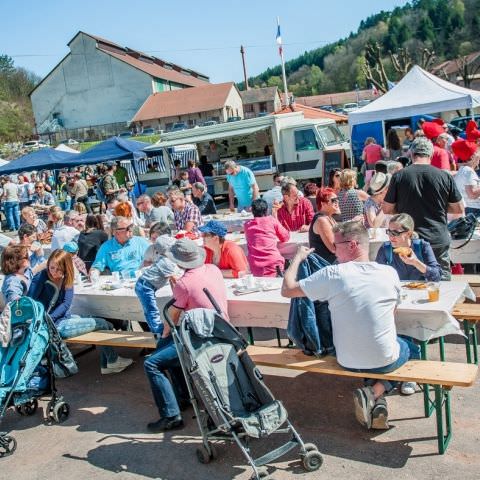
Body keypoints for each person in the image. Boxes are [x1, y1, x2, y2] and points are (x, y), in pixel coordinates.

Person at [281, 221, 420, 430]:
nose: (333, 250)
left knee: (372, 351)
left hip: (345, 359)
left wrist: (297, 259)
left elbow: (287, 289)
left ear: (353, 245)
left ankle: (375, 399)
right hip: (380, 358)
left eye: (336, 245)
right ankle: (375, 393)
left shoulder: (333, 274)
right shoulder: (389, 273)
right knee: (414, 349)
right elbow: (391, 316)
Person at [144, 238, 228, 432]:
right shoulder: (212, 270)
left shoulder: (184, 283)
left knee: (152, 362)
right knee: (166, 349)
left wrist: (163, 338)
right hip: (223, 330)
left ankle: (171, 414)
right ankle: (180, 397)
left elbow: (171, 320)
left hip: (202, 337)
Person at [28, 249, 132, 374]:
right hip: (52, 326)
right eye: (52, 267)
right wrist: (48, 320)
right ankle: (112, 362)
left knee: (104, 322)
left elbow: (65, 304)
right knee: (104, 324)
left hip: (62, 319)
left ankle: (108, 363)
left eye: (59, 269)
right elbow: (30, 303)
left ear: (66, 267)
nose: (54, 272)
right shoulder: (40, 277)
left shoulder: (67, 277)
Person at [383, 137, 464, 279]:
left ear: (412, 154)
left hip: (409, 240)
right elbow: (458, 209)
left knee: (412, 287)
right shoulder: (444, 176)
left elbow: (387, 209)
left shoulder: (399, 176)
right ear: (431, 155)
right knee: (441, 284)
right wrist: (439, 207)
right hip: (437, 237)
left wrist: (404, 206)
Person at [376, 213, 442, 283]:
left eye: (395, 233)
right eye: (389, 232)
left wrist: (415, 262)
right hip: (397, 292)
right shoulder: (385, 248)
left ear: (408, 233)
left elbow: (436, 276)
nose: (391, 236)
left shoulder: (423, 246)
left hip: (420, 292)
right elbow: (377, 276)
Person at [135, 235, 179, 334]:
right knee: (152, 310)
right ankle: (158, 332)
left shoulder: (163, 257)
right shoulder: (166, 262)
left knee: (149, 310)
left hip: (145, 284)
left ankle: (154, 330)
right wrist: (177, 296)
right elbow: (174, 280)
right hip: (145, 286)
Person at [244, 199, 290, 276]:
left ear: (252, 211)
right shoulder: (271, 220)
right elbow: (285, 237)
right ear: (267, 210)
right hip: (273, 264)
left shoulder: (247, 225)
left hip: (255, 266)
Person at [308, 187, 339, 264]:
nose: (337, 202)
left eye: (337, 199)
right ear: (323, 203)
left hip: (330, 262)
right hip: (325, 265)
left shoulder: (329, 217)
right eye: (333, 200)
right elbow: (334, 248)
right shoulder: (322, 220)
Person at [451, 139, 480, 216]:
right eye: (477, 153)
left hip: (469, 209)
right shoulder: (468, 171)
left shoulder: (463, 170)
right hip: (474, 210)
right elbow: (472, 194)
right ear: (473, 156)